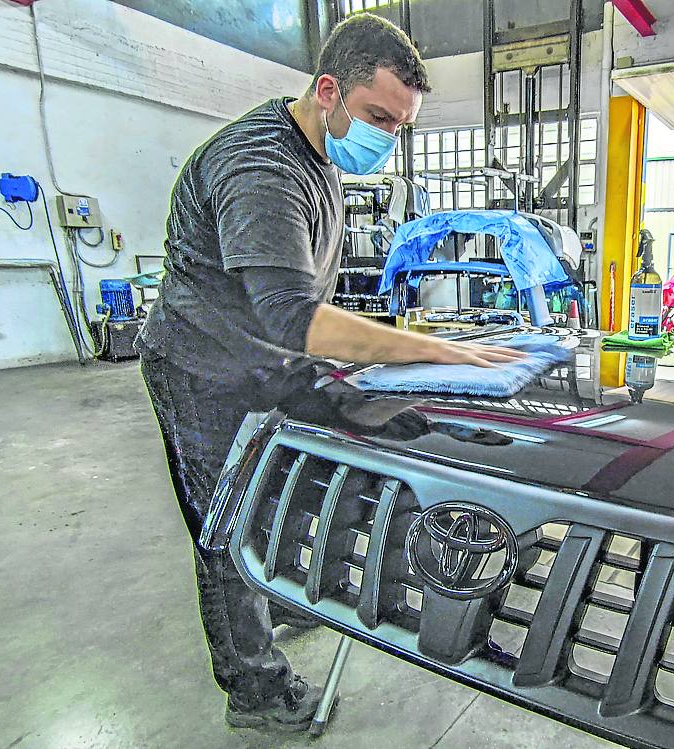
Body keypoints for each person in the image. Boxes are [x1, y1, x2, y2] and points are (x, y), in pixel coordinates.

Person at [137, 14, 524, 731]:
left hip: (269, 357)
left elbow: (305, 297)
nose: (386, 136)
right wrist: (436, 350)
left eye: (400, 125)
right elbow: (294, 315)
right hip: (203, 367)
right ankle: (254, 690)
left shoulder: (321, 158)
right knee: (225, 524)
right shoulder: (262, 167)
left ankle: (283, 590)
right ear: (326, 90)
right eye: (378, 116)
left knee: (319, 467)